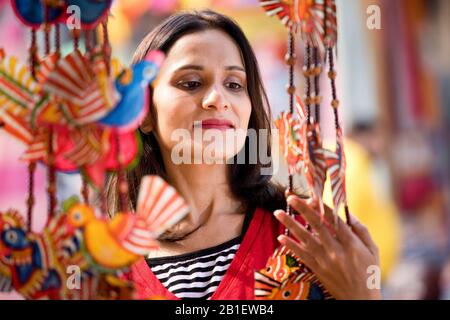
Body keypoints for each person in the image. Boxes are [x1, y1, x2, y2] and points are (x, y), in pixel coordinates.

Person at [105, 10, 381, 300]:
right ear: (144, 111)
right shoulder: (107, 262)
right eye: (191, 83)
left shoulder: (305, 240)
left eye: (234, 84)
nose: (217, 99)